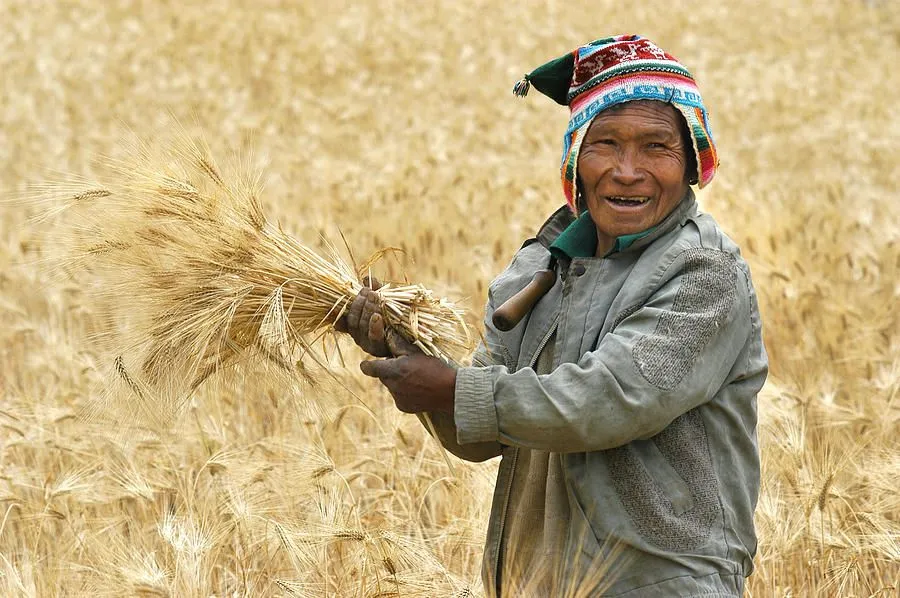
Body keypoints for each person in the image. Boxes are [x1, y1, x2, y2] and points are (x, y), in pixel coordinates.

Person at [341, 35, 768, 597]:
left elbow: (607, 402)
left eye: (656, 148)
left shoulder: (703, 273)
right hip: (537, 582)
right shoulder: (540, 267)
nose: (627, 170)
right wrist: (402, 350)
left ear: (691, 161)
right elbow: (478, 434)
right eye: (605, 144)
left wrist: (452, 389)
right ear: (574, 159)